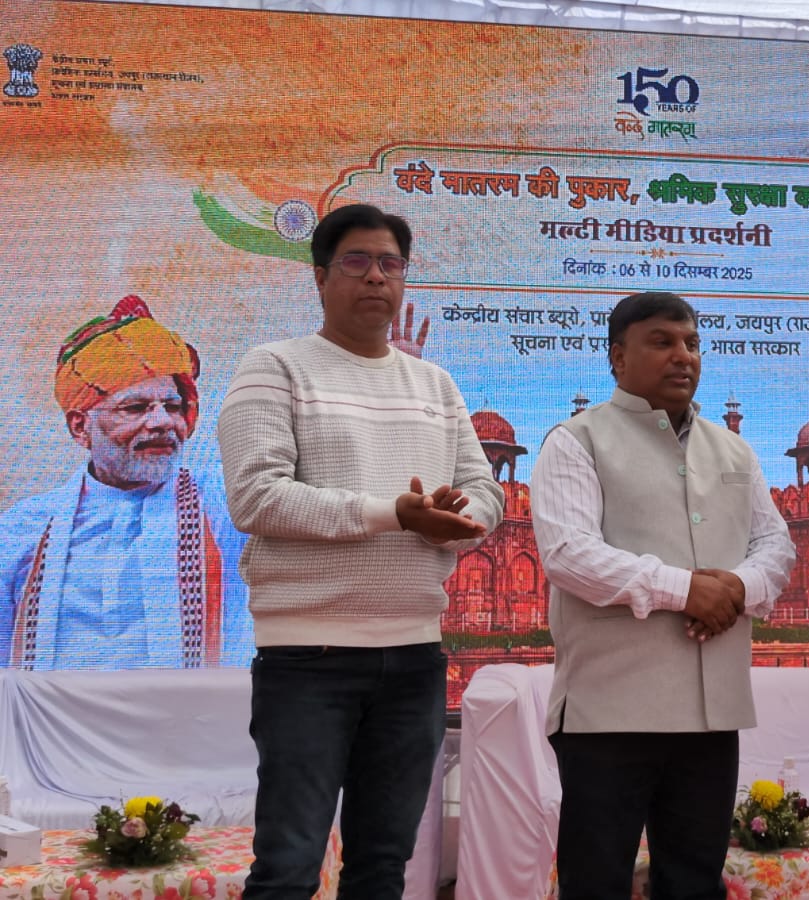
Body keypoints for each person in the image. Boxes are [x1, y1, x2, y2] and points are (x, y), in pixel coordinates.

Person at [218, 203, 504, 900]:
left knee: (382, 865)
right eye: (356, 261)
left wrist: (455, 520)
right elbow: (257, 498)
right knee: (289, 865)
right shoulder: (274, 367)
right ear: (320, 277)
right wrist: (393, 514)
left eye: (390, 264)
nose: (376, 276)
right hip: (307, 659)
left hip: (414, 658)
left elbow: (485, 491)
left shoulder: (435, 385)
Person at [529, 291, 795, 900]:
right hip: (609, 712)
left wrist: (737, 588)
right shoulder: (576, 440)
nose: (683, 356)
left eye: (692, 343)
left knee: (694, 882)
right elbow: (569, 554)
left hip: (710, 713)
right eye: (662, 342)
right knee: (596, 883)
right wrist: (686, 591)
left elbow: (775, 545)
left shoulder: (733, 449)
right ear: (618, 358)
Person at [0, 294, 248, 670]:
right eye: (135, 408)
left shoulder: (227, 504)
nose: (163, 422)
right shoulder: (22, 530)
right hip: (54, 710)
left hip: (193, 709)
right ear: (80, 427)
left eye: (173, 406)